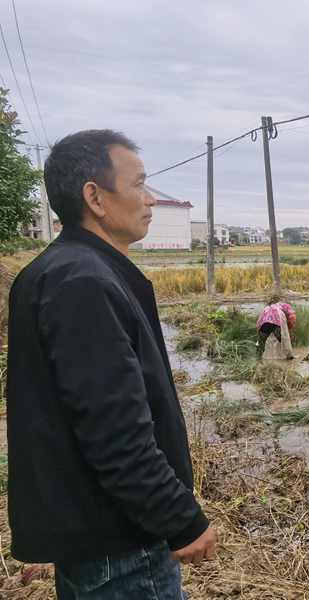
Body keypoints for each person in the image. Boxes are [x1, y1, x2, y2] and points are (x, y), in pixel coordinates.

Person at [6, 130, 215, 598]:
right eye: (139, 184)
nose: (150, 199)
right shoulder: (82, 282)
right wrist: (180, 518)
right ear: (95, 198)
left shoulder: (56, 271)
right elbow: (114, 432)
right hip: (121, 547)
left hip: (95, 536)